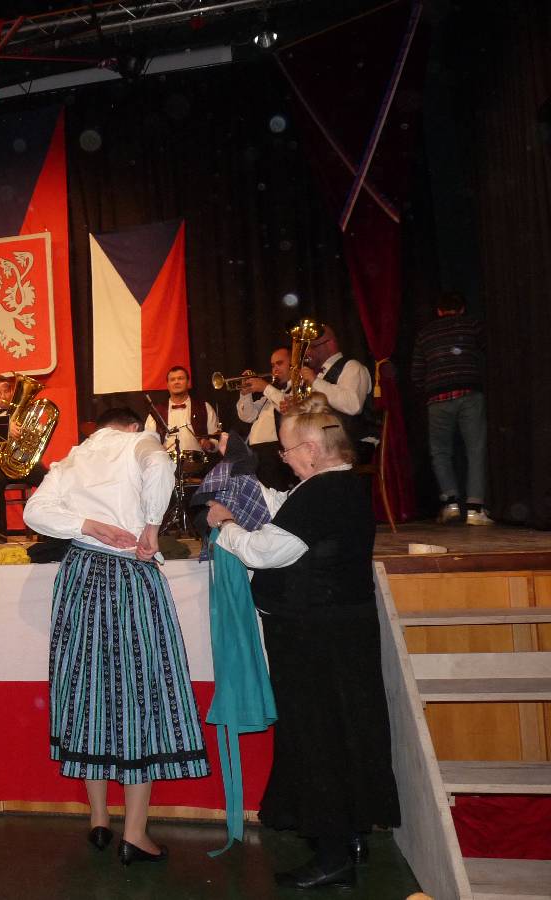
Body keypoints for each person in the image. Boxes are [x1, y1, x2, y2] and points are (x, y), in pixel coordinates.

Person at [205, 397, 399, 889]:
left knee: (318, 738)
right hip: (339, 632)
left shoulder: (323, 492)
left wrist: (225, 527)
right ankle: (350, 835)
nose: (285, 458)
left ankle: (333, 857)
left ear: (311, 450)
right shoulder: (340, 487)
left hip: (315, 639)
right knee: (344, 732)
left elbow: (268, 550)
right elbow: (289, 517)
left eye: (288, 450)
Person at [23, 407, 210, 866]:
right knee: (136, 694)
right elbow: (161, 465)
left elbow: (34, 512)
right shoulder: (139, 442)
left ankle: (99, 820)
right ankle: (135, 833)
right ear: (132, 425)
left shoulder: (73, 458)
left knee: (86, 694)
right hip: (129, 576)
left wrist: (86, 525)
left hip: (80, 573)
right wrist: (151, 526)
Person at [411, 292, 492, 525]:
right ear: (462, 309)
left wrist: (430, 387)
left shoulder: (425, 334)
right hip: (469, 392)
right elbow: (490, 354)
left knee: (440, 452)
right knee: (475, 449)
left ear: (438, 311)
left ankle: (451, 504)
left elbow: (416, 372)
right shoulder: (472, 326)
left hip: (437, 397)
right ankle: (475, 509)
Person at [291, 326, 377, 464]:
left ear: (330, 343)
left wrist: (315, 381)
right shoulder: (318, 376)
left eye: (312, 347)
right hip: (326, 445)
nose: (307, 352)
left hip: (355, 444)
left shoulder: (352, 367)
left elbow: (353, 405)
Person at [0, 373, 45, 543]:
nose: (3, 396)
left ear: (12, 392)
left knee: (48, 479)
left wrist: (31, 430)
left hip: (20, 462)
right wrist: (4, 431)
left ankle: (45, 529)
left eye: (6, 391)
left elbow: (36, 436)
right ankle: (1, 532)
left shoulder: (24, 411)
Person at [235, 348, 298, 491]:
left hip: (274, 455)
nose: (275, 369)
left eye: (279, 363)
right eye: (273, 365)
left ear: (293, 364)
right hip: (257, 455)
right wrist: (245, 394)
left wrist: (265, 387)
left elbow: (290, 408)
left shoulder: (295, 391)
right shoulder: (269, 395)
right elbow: (248, 416)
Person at [145, 366, 219, 454]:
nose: (176, 382)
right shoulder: (156, 413)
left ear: (188, 383)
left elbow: (216, 440)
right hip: (166, 461)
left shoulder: (205, 407)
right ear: (167, 385)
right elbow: (148, 442)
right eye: (172, 379)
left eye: (180, 378)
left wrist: (210, 445)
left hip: (198, 461)